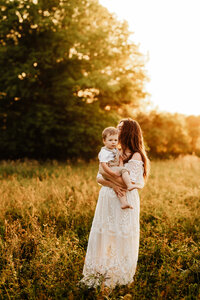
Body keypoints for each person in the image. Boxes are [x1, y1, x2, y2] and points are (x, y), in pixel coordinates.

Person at [80, 118, 150, 288]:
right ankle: (98, 274)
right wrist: (112, 183)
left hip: (125, 200)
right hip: (107, 199)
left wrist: (110, 179)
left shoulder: (136, 155)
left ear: (129, 132)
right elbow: (98, 177)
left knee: (121, 235)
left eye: (120, 129)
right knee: (105, 235)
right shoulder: (111, 151)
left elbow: (134, 183)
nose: (117, 133)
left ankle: (117, 278)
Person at [98, 126, 135, 209]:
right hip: (109, 169)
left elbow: (120, 159)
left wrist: (120, 167)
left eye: (115, 140)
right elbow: (103, 164)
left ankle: (124, 202)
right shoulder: (104, 151)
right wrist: (112, 173)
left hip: (115, 169)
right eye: (110, 140)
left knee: (120, 187)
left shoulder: (115, 150)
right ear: (104, 141)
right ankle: (129, 185)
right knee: (124, 171)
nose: (113, 142)